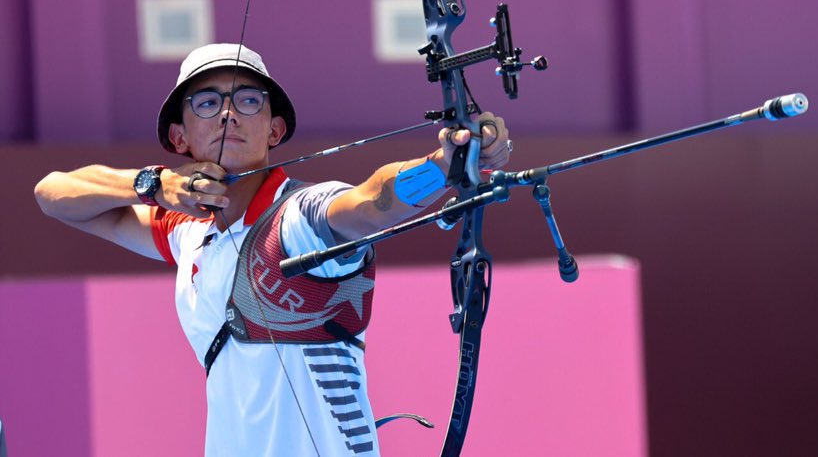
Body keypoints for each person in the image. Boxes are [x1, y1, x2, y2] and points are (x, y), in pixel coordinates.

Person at [34, 43, 510, 457]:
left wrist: (445, 165)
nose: (227, 113)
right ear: (179, 137)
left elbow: (370, 202)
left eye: (247, 100)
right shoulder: (187, 230)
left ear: (275, 130)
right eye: (206, 102)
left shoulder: (300, 216)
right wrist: (151, 184)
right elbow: (53, 195)